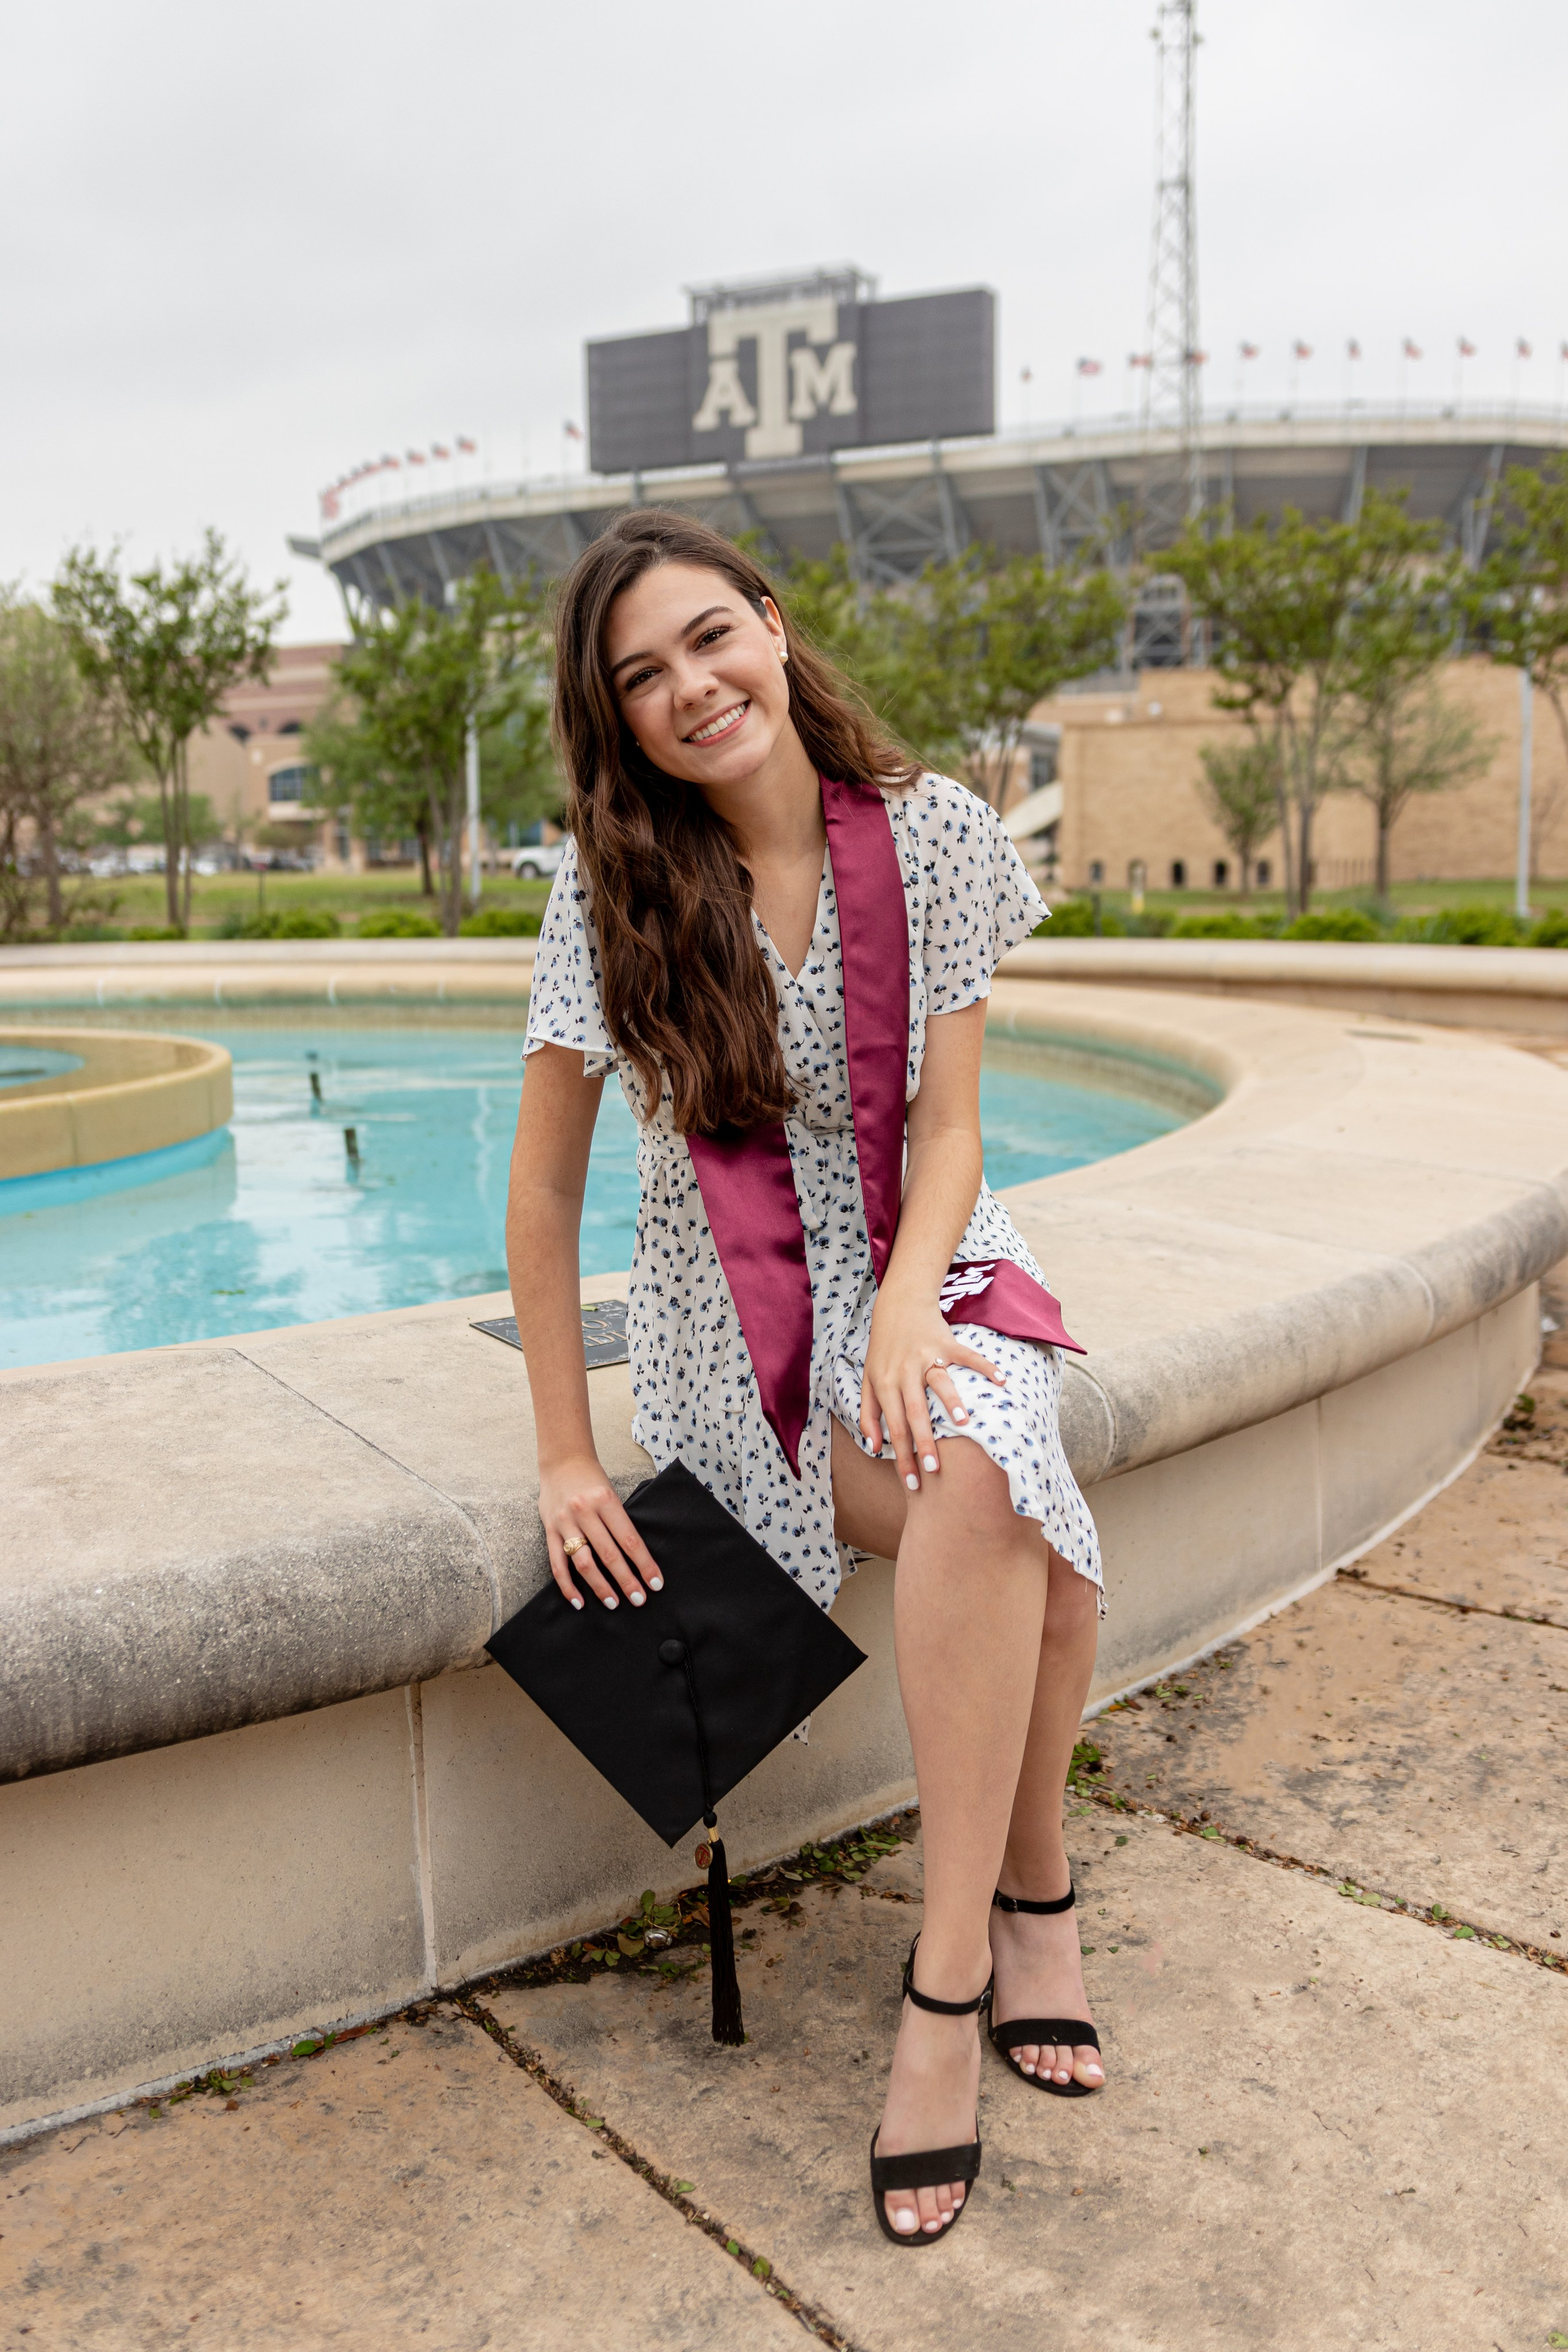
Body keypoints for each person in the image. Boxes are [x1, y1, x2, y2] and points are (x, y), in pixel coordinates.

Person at [506, 511, 1105, 2247]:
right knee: (1017, 1527)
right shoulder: (604, 900)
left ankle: (944, 1986)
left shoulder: (935, 839)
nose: (690, 686)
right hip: (733, 1332)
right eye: (641, 677)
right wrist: (564, 1456)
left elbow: (951, 1124)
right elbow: (542, 1197)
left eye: (709, 638)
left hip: (936, 1262)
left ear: (772, 629)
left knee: (988, 1461)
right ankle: (1033, 1900)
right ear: (616, 722)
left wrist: (913, 1309)